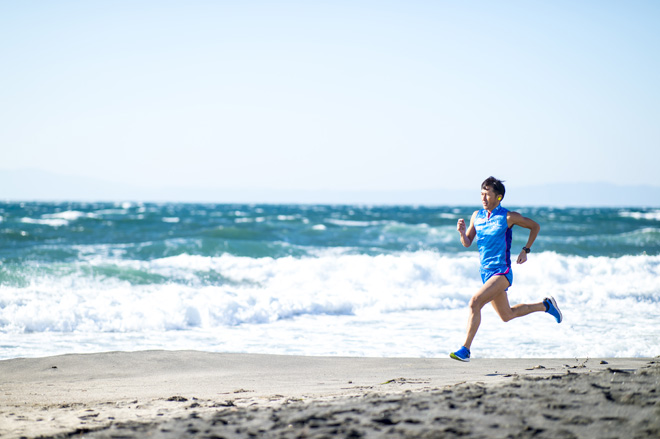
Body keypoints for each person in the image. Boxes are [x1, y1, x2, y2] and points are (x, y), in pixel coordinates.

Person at [450, 176, 562, 362]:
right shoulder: (476, 216)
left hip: (502, 273)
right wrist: (462, 233)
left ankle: (465, 350)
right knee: (506, 315)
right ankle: (546, 305)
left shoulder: (508, 217)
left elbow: (535, 226)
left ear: (498, 197)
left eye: (487, 194)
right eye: (481, 194)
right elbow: (468, 243)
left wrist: (526, 250)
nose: (483, 198)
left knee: (475, 302)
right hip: (485, 273)